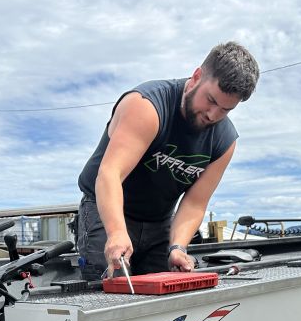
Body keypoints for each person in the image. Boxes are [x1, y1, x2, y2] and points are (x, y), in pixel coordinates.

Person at [77, 41, 259, 278]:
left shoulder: (224, 141)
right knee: (113, 286)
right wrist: (117, 232)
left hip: (159, 220)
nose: (213, 115)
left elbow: (195, 203)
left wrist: (178, 247)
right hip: (107, 211)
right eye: (211, 100)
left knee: (168, 286)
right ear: (196, 77)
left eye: (225, 110)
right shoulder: (147, 106)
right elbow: (110, 173)